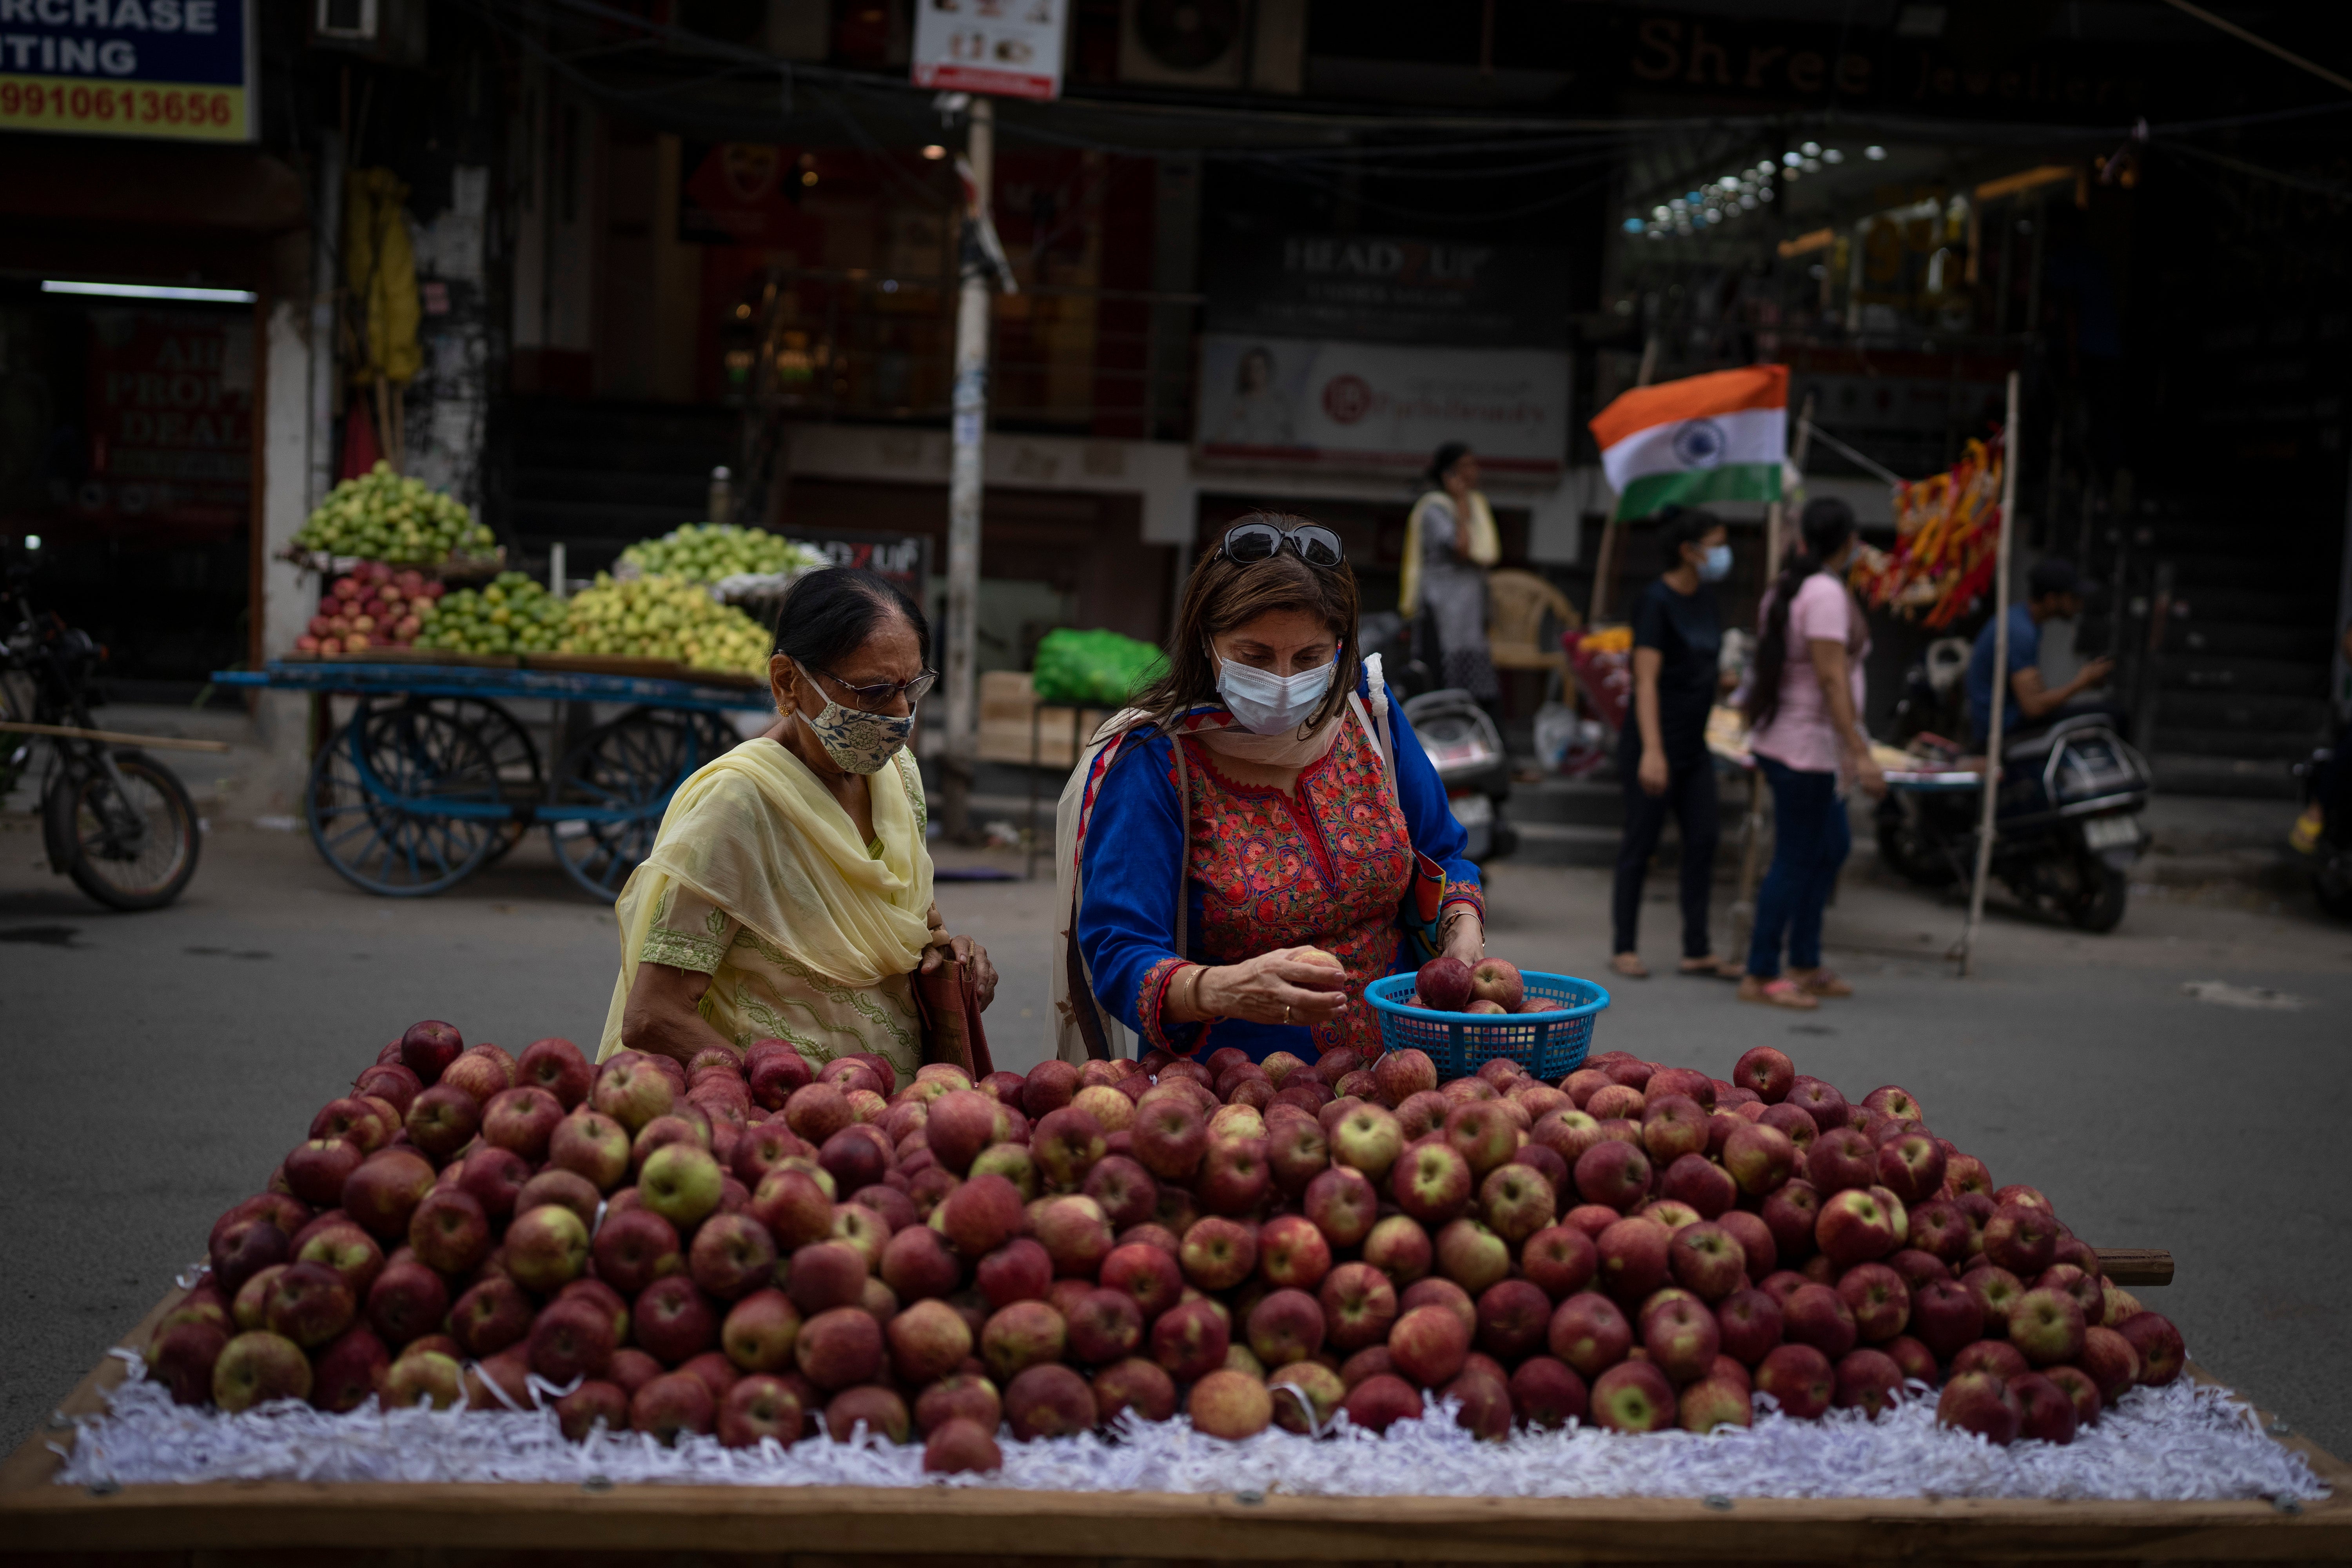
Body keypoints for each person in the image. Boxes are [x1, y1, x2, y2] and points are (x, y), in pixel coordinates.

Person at [1064, 514, 1485, 1064]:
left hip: (1405, 1069)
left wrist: (1461, 928)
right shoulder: (1157, 761)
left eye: (1309, 658)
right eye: (1255, 657)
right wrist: (1221, 989)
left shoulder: (1368, 713)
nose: (1285, 682)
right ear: (1207, 642)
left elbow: (1444, 854)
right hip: (1235, 1089)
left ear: (1340, 647)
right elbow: (1120, 950)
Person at [603, 567, 996, 1078]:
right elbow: (654, 1016)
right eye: (875, 691)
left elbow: (902, 931)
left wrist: (951, 957)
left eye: (913, 687)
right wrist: (787, 1090)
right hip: (778, 1111)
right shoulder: (740, 804)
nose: (900, 714)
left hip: (894, 1108)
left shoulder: (899, 778)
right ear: (788, 682)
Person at [1739, 497, 1885, 1011]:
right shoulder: (1821, 593)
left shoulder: (1796, 585)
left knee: (1830, 847)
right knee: (1795, 859)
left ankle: (1803, 960)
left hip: (1804, 745)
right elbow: (1831, 678)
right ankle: (1761, 972)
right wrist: (1860, 752)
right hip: (1804, 749)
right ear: (1848, 542)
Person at [1610, 508, 1737, 980]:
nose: (1725, 554)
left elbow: (1701, 666)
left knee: (1704, 838)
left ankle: (1697, 948)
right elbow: (1645, 681)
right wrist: (1653, 750)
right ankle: (1624, 946)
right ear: (1689, 550)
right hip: (1654, 742)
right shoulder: (1655, 601)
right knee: (1641, 842)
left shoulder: (1707, 600)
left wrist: (1724, 682)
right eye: (1717, 544)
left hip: (1694, 745)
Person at [1964, 557, 2114, 746]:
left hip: (2007, 720)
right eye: (2073, 598)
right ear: (2051, 600)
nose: (2080, 604)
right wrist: (2082, 683)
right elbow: (2033, 708)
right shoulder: (2020, 631)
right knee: (2112, 716)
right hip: (2002, 729)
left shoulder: (2024, 621)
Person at [1401, 442, 1502, 704]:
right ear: (1449, 474)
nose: (1473, 472)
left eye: (1474, 465)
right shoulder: (1436, 508)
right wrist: (1459, 502)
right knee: (1441, 677)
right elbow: (1462, 549)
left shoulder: (1476, 504)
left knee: (1473, 681)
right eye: (1465, 466)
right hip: (1442, 608)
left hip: (1468, 611)